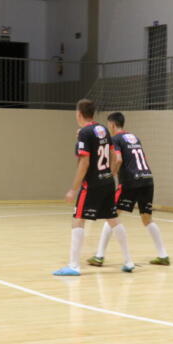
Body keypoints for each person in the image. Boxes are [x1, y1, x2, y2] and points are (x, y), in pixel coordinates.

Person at [53, 99, 134, 276]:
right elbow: (115, 156)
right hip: (107, 182)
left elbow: (84, 162)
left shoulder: (85, 132)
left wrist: (73, 189)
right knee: (113, 219)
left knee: (78, 219)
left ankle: (74, 266)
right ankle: (128, 261)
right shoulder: (103, 129)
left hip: (92, 184)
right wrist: (110, 174)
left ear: (79, 114)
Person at [87, 112, 169, 267]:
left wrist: (111, 175)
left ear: (111, 124)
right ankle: (163, 255)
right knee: (147, 219)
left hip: (131, 181)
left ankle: (99, 256)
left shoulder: (115, 139)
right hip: (147, 178)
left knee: (110, 215)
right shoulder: (134, 137)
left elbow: (118, 158)